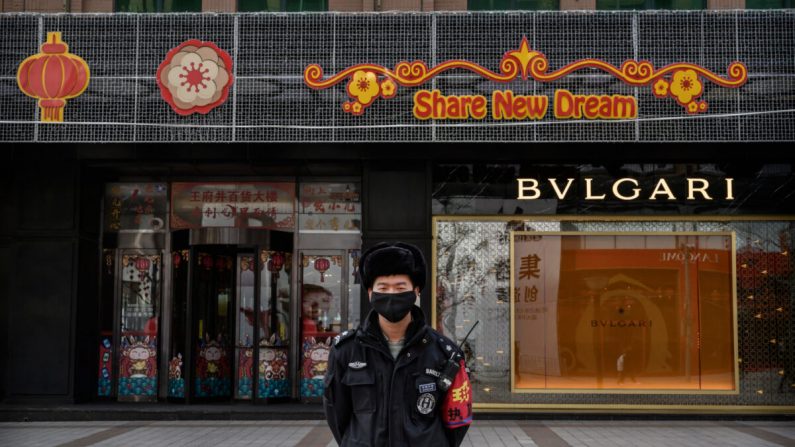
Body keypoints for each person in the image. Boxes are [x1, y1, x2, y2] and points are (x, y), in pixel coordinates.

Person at [324, 242, 472, 447]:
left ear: (416, 291)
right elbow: (337, 416)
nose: (391, 294)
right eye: (383, 288)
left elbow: (458, 419)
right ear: (370, 293)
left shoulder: (444, 353)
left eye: (400, 288)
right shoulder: (346, 351)